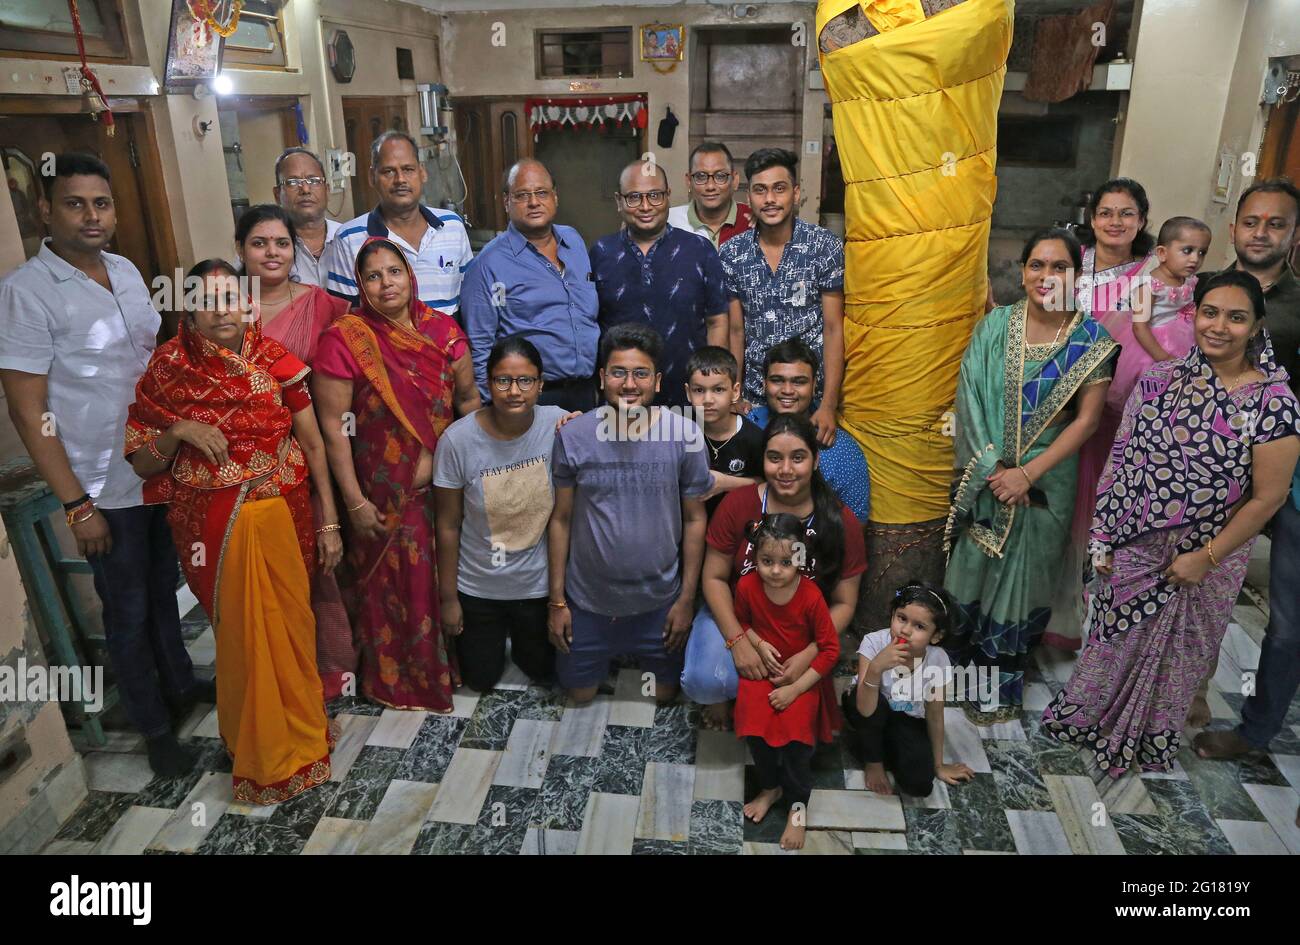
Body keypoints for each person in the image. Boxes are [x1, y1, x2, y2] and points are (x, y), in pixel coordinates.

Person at [1043, 270, 1300, 775]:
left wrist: (1205, 559)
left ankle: (1146, 737)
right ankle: (1088, 718)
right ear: (1194, 315)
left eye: (1236, 317)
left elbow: (1267, 500)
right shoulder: (1159, 380)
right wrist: (1104, 534)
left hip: (1210, 558)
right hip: (1137, 543)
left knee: (1179, 655)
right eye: (1210, 312)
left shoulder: (1274, 403)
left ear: (1255, 326)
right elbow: (1122, 458)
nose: (1219, 326)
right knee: (1111, 640)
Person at [0, 153, 206, 778]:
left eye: (100, 203)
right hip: (99, 485)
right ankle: (153, 728)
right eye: (74, 203)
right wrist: (76, 504)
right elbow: (26, 408)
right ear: (45, 211)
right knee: (127, 610)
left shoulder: (124, 272)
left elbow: (149, 366)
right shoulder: (26, 293)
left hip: (154, 469)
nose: (91, 215)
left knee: (165, 594)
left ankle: (180, 687)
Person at [125, 259, 339, 802]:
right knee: (242, 638)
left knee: (290, 628)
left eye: (232, 298)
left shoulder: (276, 361)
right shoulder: (167, 370)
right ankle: (255, 745)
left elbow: (314, 445)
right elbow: (143, 463)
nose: (223, 311)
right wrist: (178, 430)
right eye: (208, 300)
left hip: (284, 514)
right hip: (211, 528)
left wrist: (330, 518)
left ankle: (301, 739)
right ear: (188, 309)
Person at [943, 228, 1117, 722]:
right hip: (988, 475)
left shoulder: (1092, 342)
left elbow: (1086, 421)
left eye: (1058, 267)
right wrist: (996, 469)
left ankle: (996, 686)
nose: (1046, 276)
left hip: (1046, 484)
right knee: (971, 572)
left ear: (1076, 275)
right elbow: (970, 397)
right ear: (1022, 271)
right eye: (1036, 265)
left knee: (1023, 580)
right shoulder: (995, 326)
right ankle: (953, 669)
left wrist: (1027, 474)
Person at [313, 237, 480, 711]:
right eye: (373, 276)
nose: (386, 283)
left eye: (394, 271)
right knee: (391, 591)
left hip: (445, 491)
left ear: (410, 274)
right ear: (360, 285)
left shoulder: (443, 332)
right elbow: (333, 431)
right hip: (380, 499)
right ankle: (390, 681)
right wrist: (354, 502)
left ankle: (448, 668)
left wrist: (479, 471)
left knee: (444, 585)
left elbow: (468, 402)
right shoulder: (345, 339)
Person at [547, 323, 712, 704]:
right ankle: (604, 654)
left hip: (659, 600)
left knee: (663, 695)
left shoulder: (684, 435)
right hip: (588, 600)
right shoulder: (573, 435)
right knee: (580, 695)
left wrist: (686, 600)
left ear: (657, 381)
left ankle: (635, 653)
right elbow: (561, 519)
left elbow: (694, 519)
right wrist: (557, 602)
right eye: (618, 372)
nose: (629, 384)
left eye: (640, 374)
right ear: (603, 377)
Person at [1194, 178, 1300, 759]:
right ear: (1233, 228)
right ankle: (1188, 691)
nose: (1261, 233)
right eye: (1252, 221)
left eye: (1276, 224)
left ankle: (1256, 731)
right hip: (1204, 475)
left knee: (1287, 623)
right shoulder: (1205, 290)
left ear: (1294, 235)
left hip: (1284, 479)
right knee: (1196, 583)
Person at [232, 203, 355, 699]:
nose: (272, 253)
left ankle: (331, 670)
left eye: (281, 243)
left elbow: (348, 377)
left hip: (316, 454)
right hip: (246, 468)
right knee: (264, 577)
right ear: (240, 250)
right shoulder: (224, 309)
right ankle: (275, 674)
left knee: (326, 563)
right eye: (259, 243)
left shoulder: (325, 306)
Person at [681, 413, 866, 730]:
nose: (785, 470)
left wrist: (810, 654)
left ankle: (759, 695)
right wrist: (738, 642)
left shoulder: (838, 520)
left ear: (816, 460)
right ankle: (729, 695)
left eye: (798, 458)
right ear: (762, 460)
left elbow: (845, 603)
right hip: (742, 615)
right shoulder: (739, 504)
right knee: (704, 682)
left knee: (792, 709)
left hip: (801, 628)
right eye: (774, 458)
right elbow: (713, 578)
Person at [1046, 178, 1155, 651]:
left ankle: (1109, 630)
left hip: (1127, 416)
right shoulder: (1071, 269)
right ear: (1092, 220)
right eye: (1107, 213)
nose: (1116, 222)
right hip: (1063, 409)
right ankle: (1056, 618)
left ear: (1142, 221)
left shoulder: (1154, 275)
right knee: (1062, 513)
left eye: (1126, 213)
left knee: (1106, 517)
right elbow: (1044, 325)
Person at [433, 336, 568, 691]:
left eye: (525, 380)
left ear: (540, 385)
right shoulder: (457, 441)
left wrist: (558, 599)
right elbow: (447, 524)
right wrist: (449, 599)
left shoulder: (559, 426)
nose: (514, 391)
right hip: (478, 587)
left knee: (544, 671)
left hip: (536, 589)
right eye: (502, 380)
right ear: (488, 384)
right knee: (480, 679)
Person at [733, 513, 840, 851]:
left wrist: (796, 687)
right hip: (764, 673)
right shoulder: (747, 587)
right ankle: (769, 787)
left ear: (800, 558)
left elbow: (829, 648)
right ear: (755, 558)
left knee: (797, 743)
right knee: (755, 728)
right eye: (767, 561)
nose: (775, 570)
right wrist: (759, 643)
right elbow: (742, 622)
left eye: (785, 562)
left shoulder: (810, 596)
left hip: (801, 680)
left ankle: (797, 806)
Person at [720, 147, 845, 439]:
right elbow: (736, 332)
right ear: (748, 196)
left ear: (796, 192)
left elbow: (833, 328)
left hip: (809, 397)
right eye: (760, 190)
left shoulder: (823, 247)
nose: (770, 199)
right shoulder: (732, 253)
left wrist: (828, 404)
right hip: (755, 397)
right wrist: (735, 396)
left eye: (780, 189)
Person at [461, 159, 599, 410]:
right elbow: (479, 348)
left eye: (542, 193)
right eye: (522, 195)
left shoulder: (573, 240)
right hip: (528, 399)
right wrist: (492, 412)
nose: (534, 202)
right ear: (506, 202)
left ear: (555, 197)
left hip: (585, 392)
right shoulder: (487, 266)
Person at [590, 159, 728, 409]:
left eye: (654, 195)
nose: (645, 206)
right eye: (634, 197)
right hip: (622, 399)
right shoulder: (601, 252)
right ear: (619, 201)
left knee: (687, 449)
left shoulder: (699, 250)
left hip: (687, 397)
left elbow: (717, 320)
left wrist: (714, 385)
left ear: (668, 196)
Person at [841, 581, 974, 797]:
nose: (905, 630)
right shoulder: (874, 643)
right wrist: (876, 667)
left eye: (919, 626)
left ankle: (882, 747)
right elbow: (865, 709)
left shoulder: (938, 659)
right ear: (893, 614)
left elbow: (934, 714)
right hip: (866, 707)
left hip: (905, 715)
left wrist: (938, 765)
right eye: (901, 618)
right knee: (872, 705)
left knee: (919, 785)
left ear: (936, 636)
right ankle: (873, 760)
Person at [323, 132, 473, 317]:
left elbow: (470, 298)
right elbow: (345, 316)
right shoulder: (349, 238)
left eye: (408, 169)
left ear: (422, 172)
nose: (400, 179)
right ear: (372, 176)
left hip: (448, 343)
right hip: (380, 345)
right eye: (388, 171)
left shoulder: (452, 226)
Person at [746, 337, 869, 521]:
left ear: (813, 387)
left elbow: (854, 525)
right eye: (777, 380)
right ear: (764, 385)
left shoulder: (840, 449)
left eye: (799, 381)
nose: (787, 390)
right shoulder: (744, 429)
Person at [683, 346, 764, 517]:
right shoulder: (682, 431)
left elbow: (768, 483)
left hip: (740, 525)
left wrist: (726, 483)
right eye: (699, 390)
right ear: (688, 393)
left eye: (718, 390)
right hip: (690, 522)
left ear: (735, 392)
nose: (708, 400)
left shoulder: (754, 438)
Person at [1126, 216, 1209, 372]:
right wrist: (1164, 358)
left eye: (1202, 252)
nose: (1195, 258)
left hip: (1183, 339)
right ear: (1162, 253)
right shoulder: (1149, 285)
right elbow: (1139, 327)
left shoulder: (1189, 280)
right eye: (1187, 250)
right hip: (1151, 346)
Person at [273, 147, 341, 288]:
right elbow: (242, 301)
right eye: (292, 182)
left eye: (314, 180)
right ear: (277, 194)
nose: (305, 189)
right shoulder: (264, 248)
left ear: (327, 190)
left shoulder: (348, 238)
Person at [667, 141, 753, 249]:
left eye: (720, 176)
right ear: (689, 181)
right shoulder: (669, 221)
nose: (710, 186)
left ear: (735, 181)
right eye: (701, 176)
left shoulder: (753, 221)